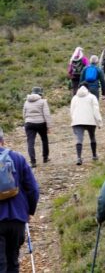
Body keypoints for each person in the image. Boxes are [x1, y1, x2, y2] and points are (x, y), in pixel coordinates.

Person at [0, 127, 39, 272]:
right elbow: (33, 189)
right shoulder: (17, 158)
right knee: (13, 262)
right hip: (17, 218)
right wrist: (30, 211)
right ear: (3, 140)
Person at [70, 83, 102, 165]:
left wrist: (73, 120)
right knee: (92, 137)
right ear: (88, 88)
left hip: (77, 121)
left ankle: (79, 158)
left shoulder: (74, 98)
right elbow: (96, 110)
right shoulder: (92, 97)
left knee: (79, 139)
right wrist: (99, 122)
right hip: (90, 121)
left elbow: (71, 110)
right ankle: (94, 155)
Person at [23, 87, 51, 168]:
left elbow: (24, 114)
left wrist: (26, 121)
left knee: (30, 142)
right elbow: (47, 114)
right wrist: (48, 126)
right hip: (41, 123)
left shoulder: (26, 102)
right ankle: (45, 158)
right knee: (44, 139)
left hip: (29, 123)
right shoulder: (43, 101)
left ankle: (33, 161)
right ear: (40, 93)